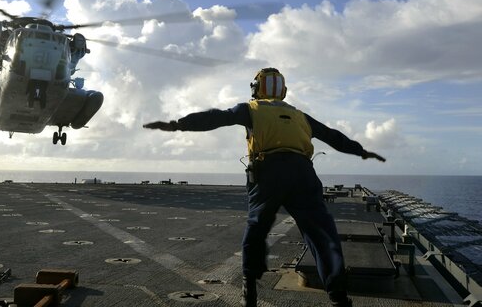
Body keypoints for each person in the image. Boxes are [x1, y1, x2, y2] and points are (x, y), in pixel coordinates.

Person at [143, 68, 385, 307]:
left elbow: (215, 117)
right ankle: (338, 297)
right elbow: (333, 137)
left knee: (257, 228)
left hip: (268, 171)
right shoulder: (300, 116)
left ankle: (249, 290)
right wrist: (360, 151)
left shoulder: (251, 109)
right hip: (303, 174)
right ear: (284, 91)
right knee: (322, 233)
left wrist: (178, 124)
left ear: (256, 89)